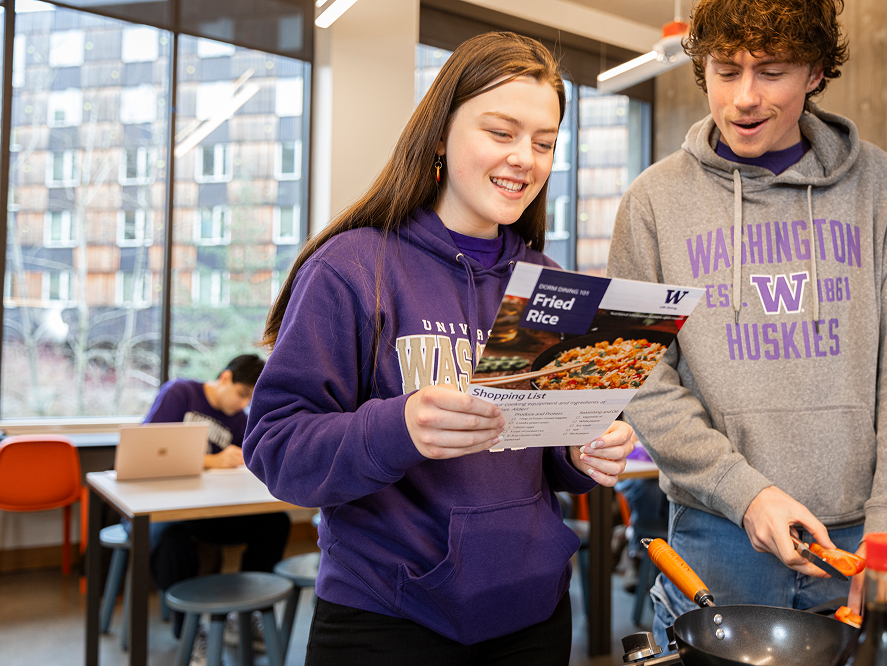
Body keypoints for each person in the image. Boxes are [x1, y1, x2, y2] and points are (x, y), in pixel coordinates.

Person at [242, 31, 635, 665]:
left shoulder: (546, 283)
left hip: (533, 613)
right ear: (440, 134)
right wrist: (399, 426)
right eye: (501, 132)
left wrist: (581, 450)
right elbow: (276, 448)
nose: (524, 159)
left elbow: (544, 457)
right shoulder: (353, 267)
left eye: (544, 142)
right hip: (388, 616)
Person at [605, 0, 887, 650]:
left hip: (854, 544)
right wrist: (746, 494)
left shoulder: (883, 190)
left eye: (771, 71)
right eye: (725, 70)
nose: (743, 98)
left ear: (816, 71)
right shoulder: (650, 203)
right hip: (713, 540)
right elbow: (642, 376)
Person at [144, 354, 291, 644]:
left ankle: (246, 614)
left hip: (209, 512)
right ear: (225, 377)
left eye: (249, 399)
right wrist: (213, 460)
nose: (243, 404)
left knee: (275, 523)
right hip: (166, 509)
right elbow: (149, 452)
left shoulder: (240, 421)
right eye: (242, 394)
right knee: (172, 539)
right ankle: (188, 634)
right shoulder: (181, 393)